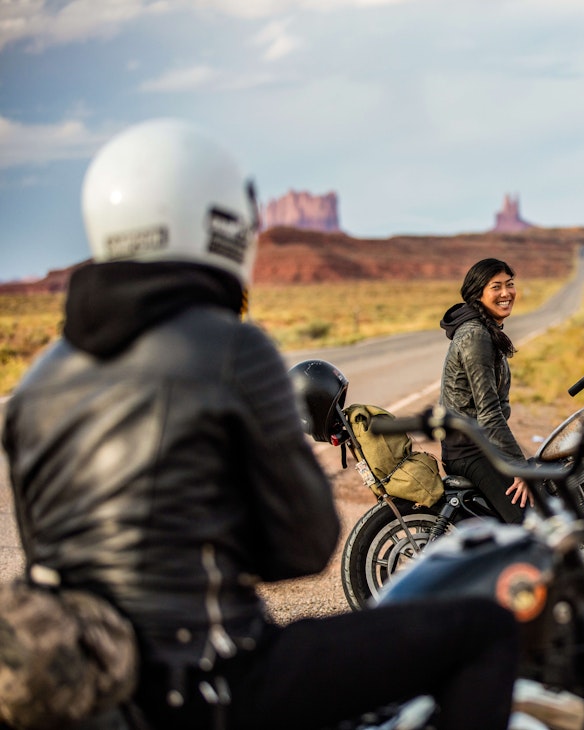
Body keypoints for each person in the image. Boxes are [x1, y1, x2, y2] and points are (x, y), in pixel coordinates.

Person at [2, 119, 520, 730]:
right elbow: (303, 544)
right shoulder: (231, 349)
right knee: (482, 629)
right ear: (221, 224)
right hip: (215, 680)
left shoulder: (36, 382)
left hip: (100, 690)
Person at [439, 259, 533, 524]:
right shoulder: (475, 336)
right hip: (470, 450)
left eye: (510, 285)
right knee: (530, 522)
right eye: (496, 287)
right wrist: (519, 466)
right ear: (478, 294)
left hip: (479, 444)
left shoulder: (487, 330)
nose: (506, 293)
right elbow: (489, 413)